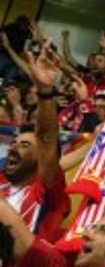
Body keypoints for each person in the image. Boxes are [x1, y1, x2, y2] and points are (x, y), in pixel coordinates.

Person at [1, 44, 71, 243]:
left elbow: (46, 139)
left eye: (25, 145)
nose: (13, 147)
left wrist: (45, 92)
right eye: (15, 143)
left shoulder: (45, 192)